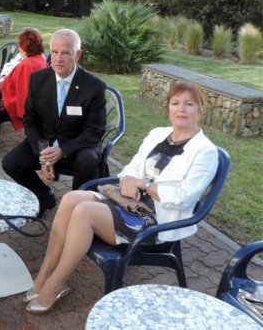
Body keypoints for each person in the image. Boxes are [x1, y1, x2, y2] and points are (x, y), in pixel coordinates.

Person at [24, 82, 219, 314]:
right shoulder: (158, 134)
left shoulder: (206, 152)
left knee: (83, 212)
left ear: (200, 109)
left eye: (189, 104)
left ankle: (54, 285)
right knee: (70, 199)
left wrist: (144, 184)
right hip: (130, 201)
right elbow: (131, 168)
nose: (181, 109)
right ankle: (45, 274)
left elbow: (183, 198)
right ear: (168, 107)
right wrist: (128, 180)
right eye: (175, 103)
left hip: (156, 220)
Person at [2, 29, 107, 217]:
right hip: (46, 140)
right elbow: (30, 120)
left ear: (78, 54)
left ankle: (77, 210)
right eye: (55, 52)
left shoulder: (93, 86)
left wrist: (63, 150)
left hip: (77, 144)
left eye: (66, 53)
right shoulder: (38, 79)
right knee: (11, 162)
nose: (58, 59)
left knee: (88, 161)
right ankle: (44, 196)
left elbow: (94, 131)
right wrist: (43, 153)